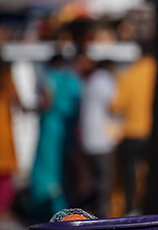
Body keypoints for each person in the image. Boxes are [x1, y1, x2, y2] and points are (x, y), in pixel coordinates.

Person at [27, 54, 82, 221]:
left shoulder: (49, 78)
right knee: (63, 168)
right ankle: (64, 206)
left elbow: (46, 102)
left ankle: (47, 206)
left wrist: (32, 108)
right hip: (66, 129)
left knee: (47, 167)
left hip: (50, 128)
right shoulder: (73, 80)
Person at [111, 42, 156, 215]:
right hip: (154, 133)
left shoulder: (128, 74)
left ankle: (130, 208)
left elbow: (116, 105)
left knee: (129, 175)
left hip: (132, 132)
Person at [79, 59, 119, 218]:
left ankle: (89, 209)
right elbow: (115, 104)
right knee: (104, 179)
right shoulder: (105, 81)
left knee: (94, 178)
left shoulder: (92, 80)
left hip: (89, 138)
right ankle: (101, 213)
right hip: (101, 139)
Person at [0, 61, 21, 217]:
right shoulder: (7, 78)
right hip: (4, 131)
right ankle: (3, 207)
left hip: (5, 130)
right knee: (5, 170)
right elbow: (17, 100)